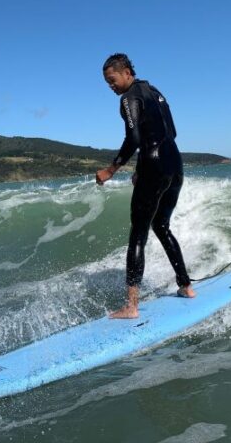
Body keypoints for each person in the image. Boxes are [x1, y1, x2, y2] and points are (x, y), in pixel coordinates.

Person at [96, 53, 195, 319]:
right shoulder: (155, 92)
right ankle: (186, 286)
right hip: (175, 164)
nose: (111, 86)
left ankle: (131, 306)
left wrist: (111, 168)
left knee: (138, 233)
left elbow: (134, 138)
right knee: (161, 225)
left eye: (112, 79)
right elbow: (170, 132)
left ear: (126, 72)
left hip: (155, 164)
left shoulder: (128, 99)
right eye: (107, 82)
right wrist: (143, 168)